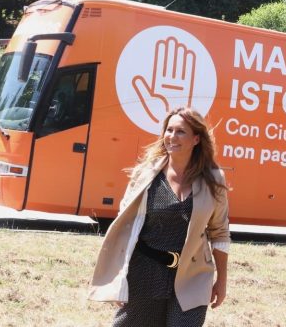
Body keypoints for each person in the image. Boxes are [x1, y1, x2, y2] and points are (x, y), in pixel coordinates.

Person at [89, 107, 230, 326]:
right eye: (169, 130)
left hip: (193, 275)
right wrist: (120, 276)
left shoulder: (213, 180)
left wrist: (221, 281)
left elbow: (220, 232)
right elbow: (124, 227)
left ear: (196, 139)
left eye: (181, 131)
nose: (172, 137)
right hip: (144, 271)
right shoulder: (145, 174)